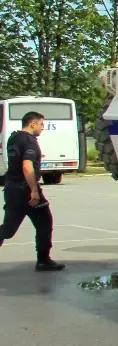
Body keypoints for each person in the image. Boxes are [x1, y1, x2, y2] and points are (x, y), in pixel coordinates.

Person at [0, 111, 63, 271]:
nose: (43, 128)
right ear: (32, 124)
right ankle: (43, 260)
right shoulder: (29, 141)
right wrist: (34, 190)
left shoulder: (14, 138)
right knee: (45, 222)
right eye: (41, 124)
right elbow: (27, 166)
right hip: (26, 190)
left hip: (12, 188)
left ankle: (44, 260)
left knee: (8, 229)